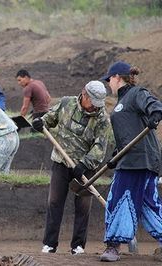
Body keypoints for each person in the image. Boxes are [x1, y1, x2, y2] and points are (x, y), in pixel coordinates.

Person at [32, 80, 111, 255]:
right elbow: (49, 120)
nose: (95, 108)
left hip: (85, 168)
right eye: (93, 103)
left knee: (83, 206)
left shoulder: (102, 118)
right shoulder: (66, 103)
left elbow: (100, 147)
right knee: (54, 202)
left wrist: (84, 164)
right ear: (84, 94)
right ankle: (50, 243)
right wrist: (40, 123)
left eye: (98, 104)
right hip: (61, 162)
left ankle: (78, 245)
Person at [98, 61, 162, 262]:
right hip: (131, 158)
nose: (108, 84)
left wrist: (155, 115)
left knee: (118, 198)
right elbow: (127, 135)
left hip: (139, 160)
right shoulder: (121, 101)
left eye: (109, 80)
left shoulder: (136, 93)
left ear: (117, 77)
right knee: (148, 203)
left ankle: (113, 246)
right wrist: (116, 156)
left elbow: (155, 105)